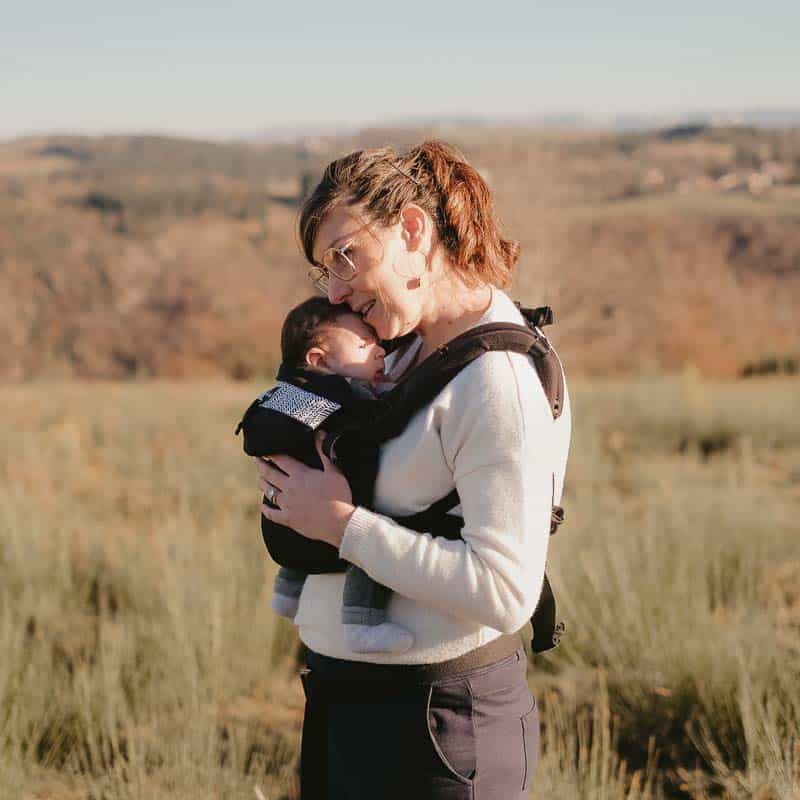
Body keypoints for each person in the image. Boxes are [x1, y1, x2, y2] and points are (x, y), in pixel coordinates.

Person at [254, 140, 571, 799]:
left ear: (413, 230)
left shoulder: (496, 383)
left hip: (438, 730)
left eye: (348, 255)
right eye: (324, 270)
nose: (335, 288)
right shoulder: (402, 349)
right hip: (351, 707)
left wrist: (339, 525)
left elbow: (506, 590)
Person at [239, 294, 418, 654]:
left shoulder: (284, 395)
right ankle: (362, 621)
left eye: (380, 345)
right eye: (365, 344)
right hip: (324, 535)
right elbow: (381, 422)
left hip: (281, 527)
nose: (380, 352)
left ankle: (287, 592)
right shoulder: (338, 395)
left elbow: (258, 435)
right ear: (319, 359)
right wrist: (396, 395)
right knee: (375, 532)